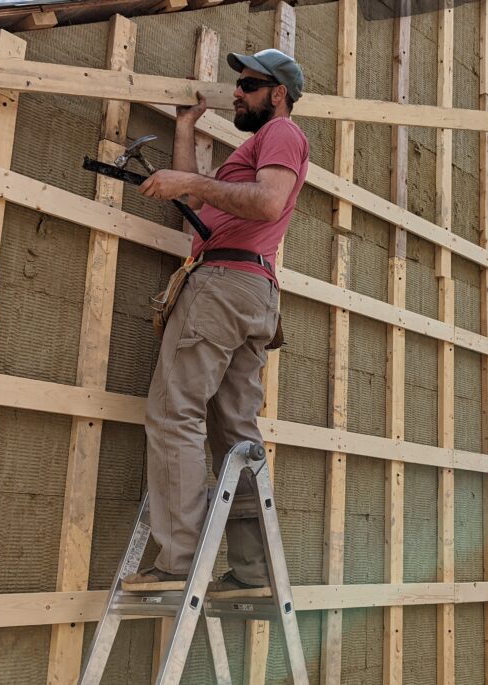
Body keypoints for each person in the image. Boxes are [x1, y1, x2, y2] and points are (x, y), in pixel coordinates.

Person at [123, 48, 309, 593]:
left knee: (173, 410)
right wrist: (187, 134)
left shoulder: (280, 135)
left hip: (224, 287)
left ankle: (179, 560)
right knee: (236, 436)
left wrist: (195, 185)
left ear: (277, 94)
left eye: (247, 85)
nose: (236, 93)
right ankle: (251, 570)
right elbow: (203, 213)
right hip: (251, 292)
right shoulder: (253, 150)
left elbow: (268, 202)